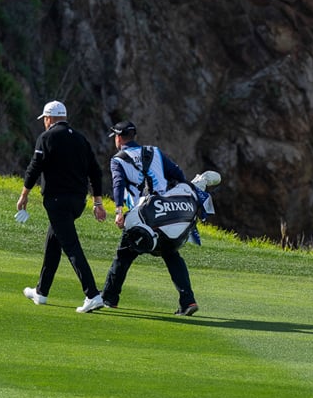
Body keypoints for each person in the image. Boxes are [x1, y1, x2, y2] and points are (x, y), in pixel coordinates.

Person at [17, 100, 107, 313]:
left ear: (48, 118)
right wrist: (98, 202)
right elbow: (96, 172)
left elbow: (34, 168)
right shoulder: (80, 139)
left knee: (71, 247)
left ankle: (92, 294)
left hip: (57, 202)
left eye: (44, 120)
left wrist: (24, 196)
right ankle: (41, 292)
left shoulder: (46, 137)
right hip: (77, 202)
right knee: (53, 243)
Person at [101, 121, 199, 316]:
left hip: (140, 218)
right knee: (171, 254)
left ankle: (109, 299)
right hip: (164, 215)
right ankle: (188, 301)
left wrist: (119, 211)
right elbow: (178, 175)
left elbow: (118, 184)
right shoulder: (155, 151)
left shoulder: (118, 159)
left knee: (123, 256)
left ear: (118, 138)